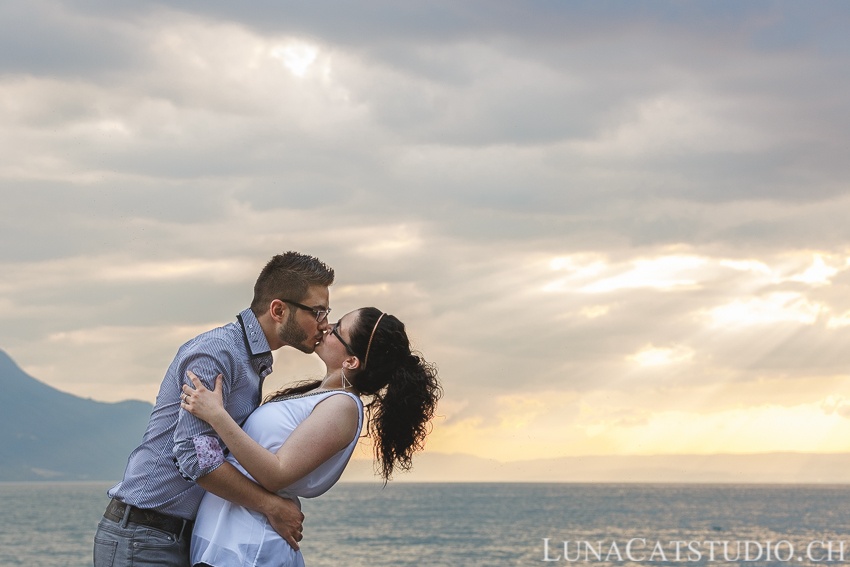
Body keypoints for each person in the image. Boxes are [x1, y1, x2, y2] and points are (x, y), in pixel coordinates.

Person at [93, 252, 335, 567]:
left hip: (173, 537)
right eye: (317, 312)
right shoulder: (216, 354)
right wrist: (271, 506)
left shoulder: (251, 360)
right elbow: (197, 459)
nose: (325, 324)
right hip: (144, 538)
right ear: (278, 309)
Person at [179, 307, 441, 567]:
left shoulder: (343, 407)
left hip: (249, 548)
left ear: (351, 361)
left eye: (337, 329)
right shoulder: (321, 396)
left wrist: (216, 415)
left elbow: (277, 473)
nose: (326, 327)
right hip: (227, 538)